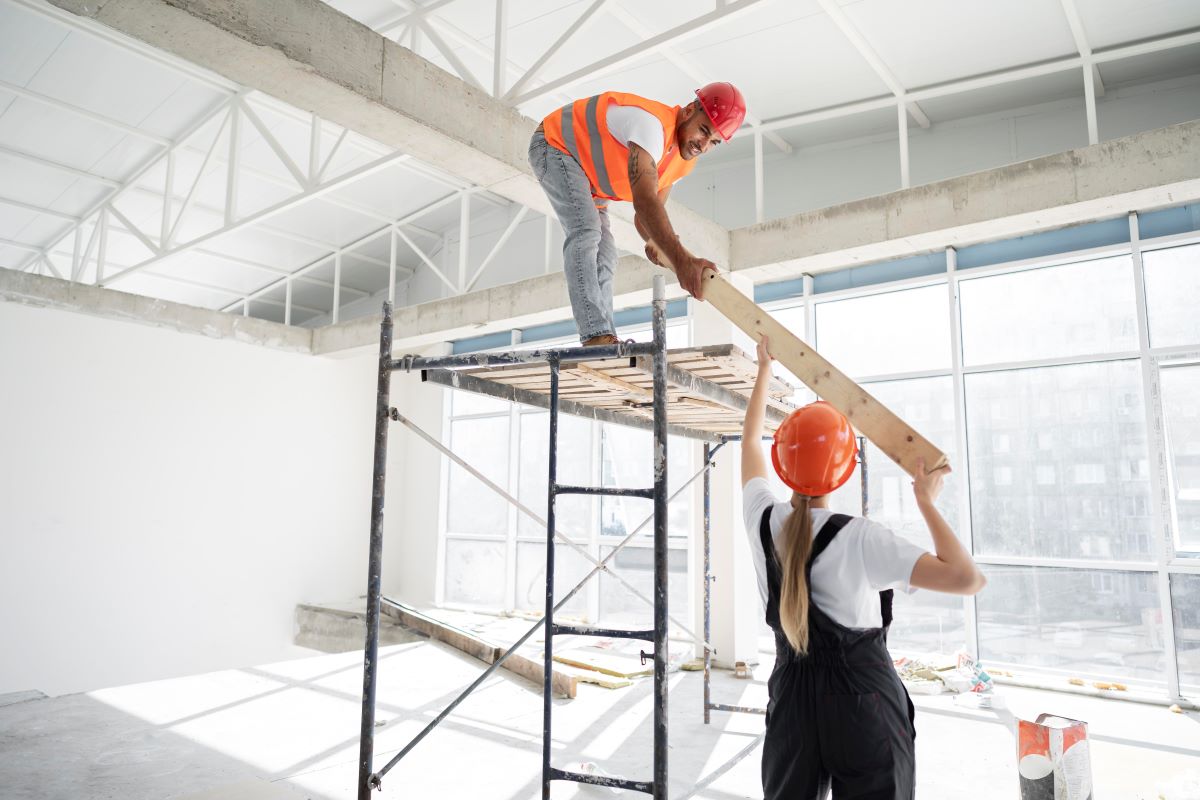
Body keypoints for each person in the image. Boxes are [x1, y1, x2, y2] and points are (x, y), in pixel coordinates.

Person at [742, 336, 986, 799]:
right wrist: (926, 502)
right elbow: (967, 578)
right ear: (845, 470)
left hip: (792, 700)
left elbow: (750, 442)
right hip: (861, 702)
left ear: (783, 464)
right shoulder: (861, 538)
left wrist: (763, 373)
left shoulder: (761, 519)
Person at [527, 83, 747, 345]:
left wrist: (668, 249)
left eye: (714, 142)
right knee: (586, 231)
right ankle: (595, 336)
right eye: (703, 130)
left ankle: (605, 337)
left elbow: (646, 218)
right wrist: (681, 262)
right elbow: (644, 202)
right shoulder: (651, 126)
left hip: (587, 178)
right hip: (555, 145)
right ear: (689, 110)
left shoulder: (681, 162)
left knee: (606, 251)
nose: (704, 145)